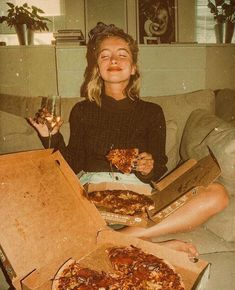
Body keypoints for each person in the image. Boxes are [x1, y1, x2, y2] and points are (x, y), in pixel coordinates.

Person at [29, 22, 229, 260]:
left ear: (133, 67)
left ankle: (119, 240)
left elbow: (159, 167)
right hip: (91, 195)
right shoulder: (82, 111)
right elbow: (72, 163)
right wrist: (49, 135)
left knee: (218, 194)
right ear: (97, 68)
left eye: (122, 55)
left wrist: (148, 167)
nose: (113, 60)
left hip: (140, 197)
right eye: (105, 56)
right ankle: (146, 245)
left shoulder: (152, 112)